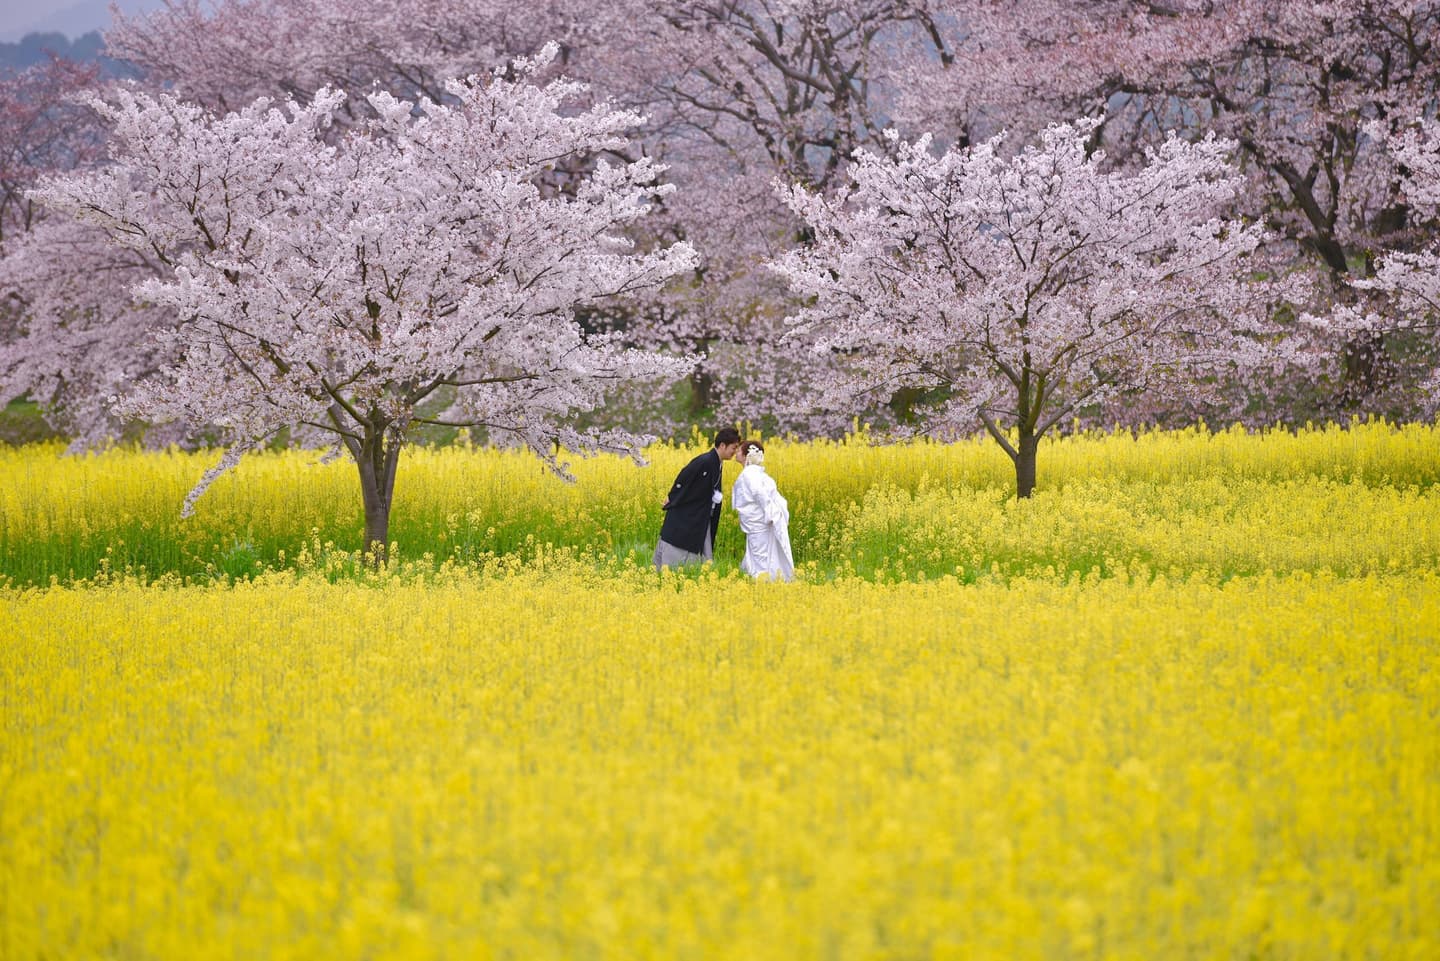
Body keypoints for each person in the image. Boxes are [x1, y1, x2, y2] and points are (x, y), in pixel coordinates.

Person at [653, 427, 742, 570]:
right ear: (723, 445)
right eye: (734, 447)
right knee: (680, 545)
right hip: (689, 514)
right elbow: (684, 477)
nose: (735, 452)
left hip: (700, 514)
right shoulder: (705, 461)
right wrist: (672, 497)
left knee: (698, 545)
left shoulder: (716, 462)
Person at [731, 439, 794, 581]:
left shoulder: (749, 474)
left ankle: (763, 584)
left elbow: (760, 494)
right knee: (761, 554)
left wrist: (770, 512)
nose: (736, 452)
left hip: (757, 523)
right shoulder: (759, 474)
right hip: (757, 522)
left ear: (747, 455)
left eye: (739, 450)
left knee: (760, 557)